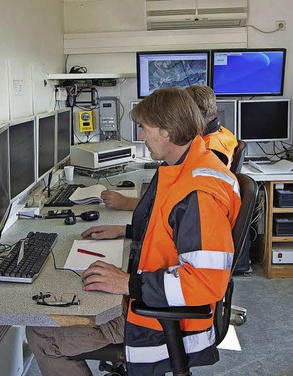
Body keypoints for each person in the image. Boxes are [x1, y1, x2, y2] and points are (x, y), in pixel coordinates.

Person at [26, 87, 241, 375]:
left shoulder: (198, 194)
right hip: (160, 300)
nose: (141, 137)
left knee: (43, 335)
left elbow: (205, 282)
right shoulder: (187, 167)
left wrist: (128, 284)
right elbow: (171, 231)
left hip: (165, 322)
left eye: (144, 128)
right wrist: (126, 231)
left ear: (167, 131)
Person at [101, 84, 239, 211]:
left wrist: (125, 203)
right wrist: (127, 231)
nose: (142, 137)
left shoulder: (199, 191)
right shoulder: (218, 137)